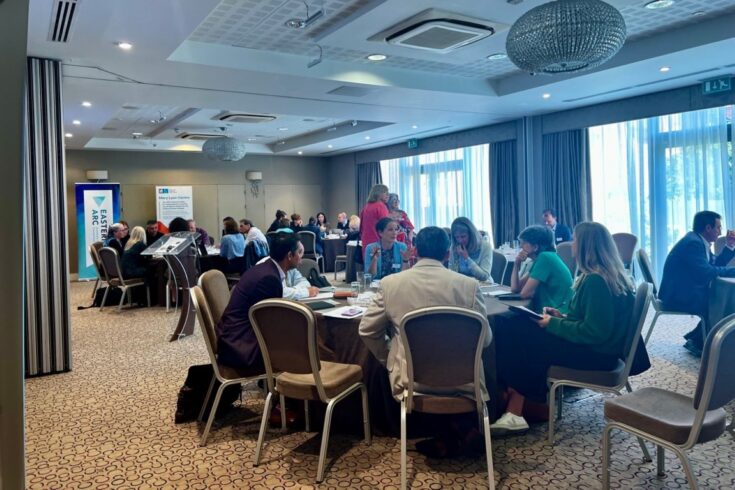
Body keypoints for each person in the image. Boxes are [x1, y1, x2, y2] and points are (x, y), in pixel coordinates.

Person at [492, 222, 639, 434]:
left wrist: (554, 323)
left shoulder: (596, 281)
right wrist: (563, 317)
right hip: (601, 350)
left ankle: (516, 409)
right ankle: (520, 408)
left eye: (576, 241)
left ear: (586, 246)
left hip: (597, 355)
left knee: (515, 332)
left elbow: (595, 332)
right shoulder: (605, 275)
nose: (572, 245)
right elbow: (592, 320)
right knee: (518, 327)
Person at [360, 226, 489, 399]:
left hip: (408, 379)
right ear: (447, 254)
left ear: (415, 251)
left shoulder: (390, 284)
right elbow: (485, 339)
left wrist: (391, 356)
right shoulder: (470, 286)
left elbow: (367, 330)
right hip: (465, 381)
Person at [216, 233, 302, 370]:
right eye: (300, 252)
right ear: (290, 256)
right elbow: (271, 325)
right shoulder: (269, 279)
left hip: (233, 337)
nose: (301, 257)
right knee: (305, 336)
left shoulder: (265, 268)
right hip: (241, 347)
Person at [658, 210, 735, 356]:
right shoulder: (693, 243)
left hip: (682, 290)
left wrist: (730, 246)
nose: (720, 232)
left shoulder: (697, 240)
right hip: (677, 296)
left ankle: (698, 341)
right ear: (708, 228)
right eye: (718, 227)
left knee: (722, 300)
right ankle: (705, 344)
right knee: (722, 302)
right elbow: (706, 273)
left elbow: (713, 265)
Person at [510, 225, 573, 313]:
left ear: (535, 247)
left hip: (555, 314)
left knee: (504, 320)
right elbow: (515, 289)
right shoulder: (544, 258)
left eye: (523, 243)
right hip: (551, 311)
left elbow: (524, 294)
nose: (520, 246)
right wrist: (517, 264)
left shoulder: (545, 258)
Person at [448, 217, 492, 282]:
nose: (460, 240)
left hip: (482, 285)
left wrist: (467, 258)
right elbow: (451, 273)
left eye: (463, 236)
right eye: (457, 237)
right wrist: (456, 257)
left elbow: (484, 276)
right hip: (463, 284)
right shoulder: (454, 246)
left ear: (471, 235)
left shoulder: (485, 246)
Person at [359, 184, 390, 253]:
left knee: (369, 263)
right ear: (378, 193)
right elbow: (386, 226)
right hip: (378, 242)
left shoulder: (366, 207)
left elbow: (361, 228)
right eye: (385, 192)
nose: (388, 195)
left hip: (366, 242)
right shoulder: (380, 206)